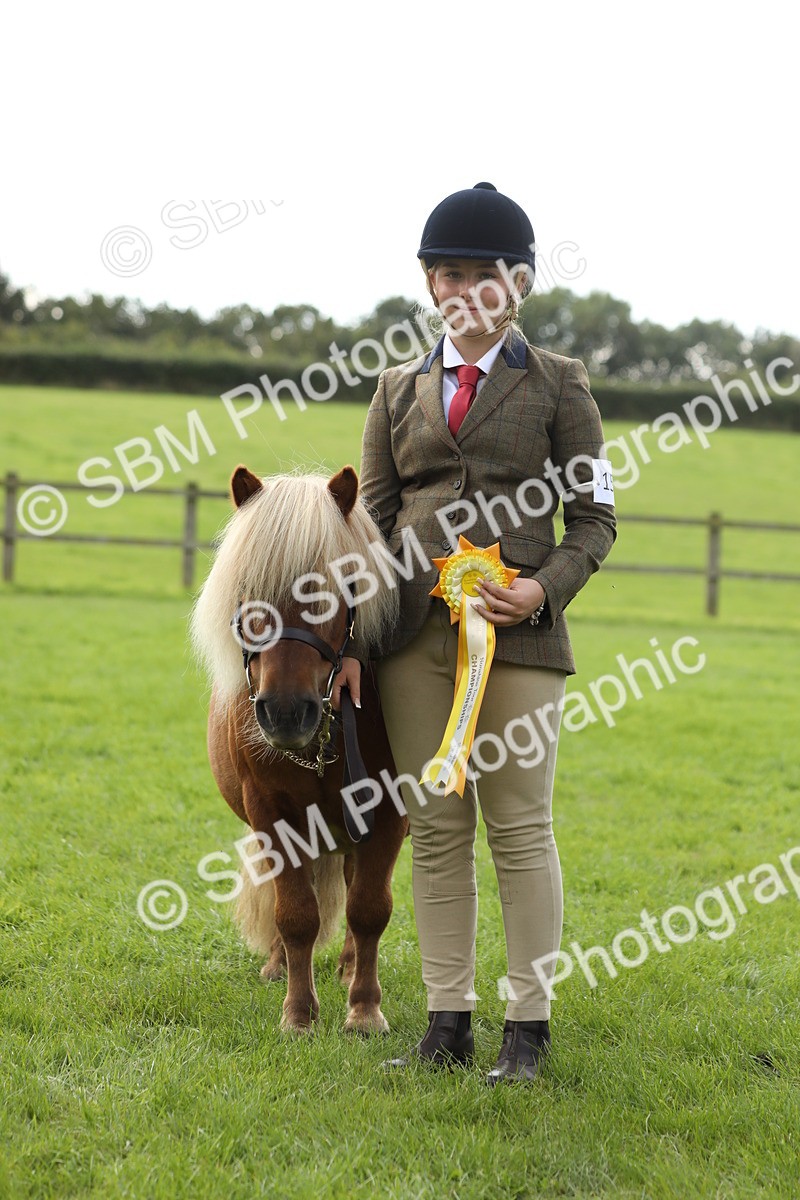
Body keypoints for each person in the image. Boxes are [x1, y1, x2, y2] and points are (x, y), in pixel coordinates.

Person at [332, 182, 616, 1084]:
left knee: (521, 829)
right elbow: (369, 525)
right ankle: (445, 1023)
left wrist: (538, 590)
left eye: (477, 275)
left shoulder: (561, 383)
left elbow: (596, 520)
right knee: (437, 826)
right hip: (410, 638)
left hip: (519, 637)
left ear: (518, 283)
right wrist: (347, 644)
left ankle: (526, 1031)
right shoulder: (394, 389)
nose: (458, 289)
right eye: (443, 273)